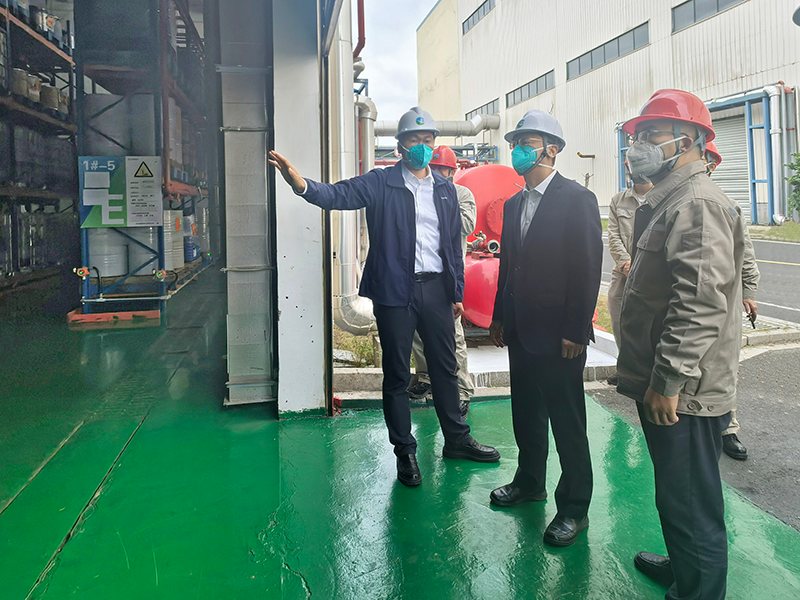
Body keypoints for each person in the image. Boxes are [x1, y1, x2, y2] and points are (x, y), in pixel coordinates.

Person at [268, 107, 500, 488]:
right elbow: (339, 194)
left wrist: (457, 291)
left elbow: (451, 247)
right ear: (400, 145)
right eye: (414, 140)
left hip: (437, 290)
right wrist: (302, 186)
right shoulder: (381, 182)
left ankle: (457, 440)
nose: (422, 147)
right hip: (394, 291)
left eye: (428, 140)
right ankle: (405, 451)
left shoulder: (445, 191)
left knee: (445, 369)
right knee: (396, 374)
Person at [616, 89, 746, 600]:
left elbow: (698, 303)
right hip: (674, 381)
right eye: (638, 135)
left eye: (652, 133)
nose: (639, 145)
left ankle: (698, 590)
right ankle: (684, 567)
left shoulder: (697, 204)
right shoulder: (671, 199)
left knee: (691, 503)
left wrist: (668, 380)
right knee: (678, 495)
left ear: (688, 139)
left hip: (685, 390)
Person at [488, 110, 603, 547]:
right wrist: (499, 316)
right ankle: (530, 481)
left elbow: (587, 268)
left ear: (551, 149)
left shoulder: (577, 199)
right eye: (514, 143)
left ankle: (574, 508)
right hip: (520, 328)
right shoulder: (514, 204)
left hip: (560, 335)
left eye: (527, 142)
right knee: (526, 413)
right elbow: (508, 266)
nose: (517, 150)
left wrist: (577, 327)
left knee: (567, 422)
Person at [408, 145, 477, 417]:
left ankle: (462, 390)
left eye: (442, 169)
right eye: (433, 168)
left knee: (453, 335)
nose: (436, 173)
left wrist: (441, 204)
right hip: (420, 274)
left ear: (452, 171)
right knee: (418, 332)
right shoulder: (418, 192)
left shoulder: (462, 194)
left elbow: (468, 225)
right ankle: (425, 377)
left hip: (447, 277)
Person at [706, 141, 760, 461]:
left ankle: (729, 428)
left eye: (708, 159)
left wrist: (749, 292)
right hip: (686, 302)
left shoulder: (728, 206)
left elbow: (746, 254)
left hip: (725, 303)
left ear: (713, 164)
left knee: (725, 367)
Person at [606, 174, 653, 387]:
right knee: (617, 315)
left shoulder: (664, 197)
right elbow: (613, 235)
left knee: (648, 322)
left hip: (652, 272)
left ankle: (649, 370)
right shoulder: (619, 200)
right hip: (623, 270)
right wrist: (626, 262)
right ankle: (626, 367)